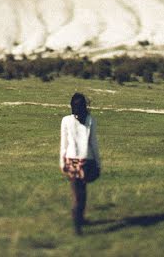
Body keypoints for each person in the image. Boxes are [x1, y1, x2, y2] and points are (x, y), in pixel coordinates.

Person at [60, 92, 101, 235]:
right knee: (82, 192)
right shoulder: (90, 120)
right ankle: (79, 219)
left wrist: (62, 162)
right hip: (86, 160)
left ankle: (77, 220)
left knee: (76, 192)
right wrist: (98, 163)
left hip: (71, 160)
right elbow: (94, 144)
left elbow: (63, 144)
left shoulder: (65, 120)